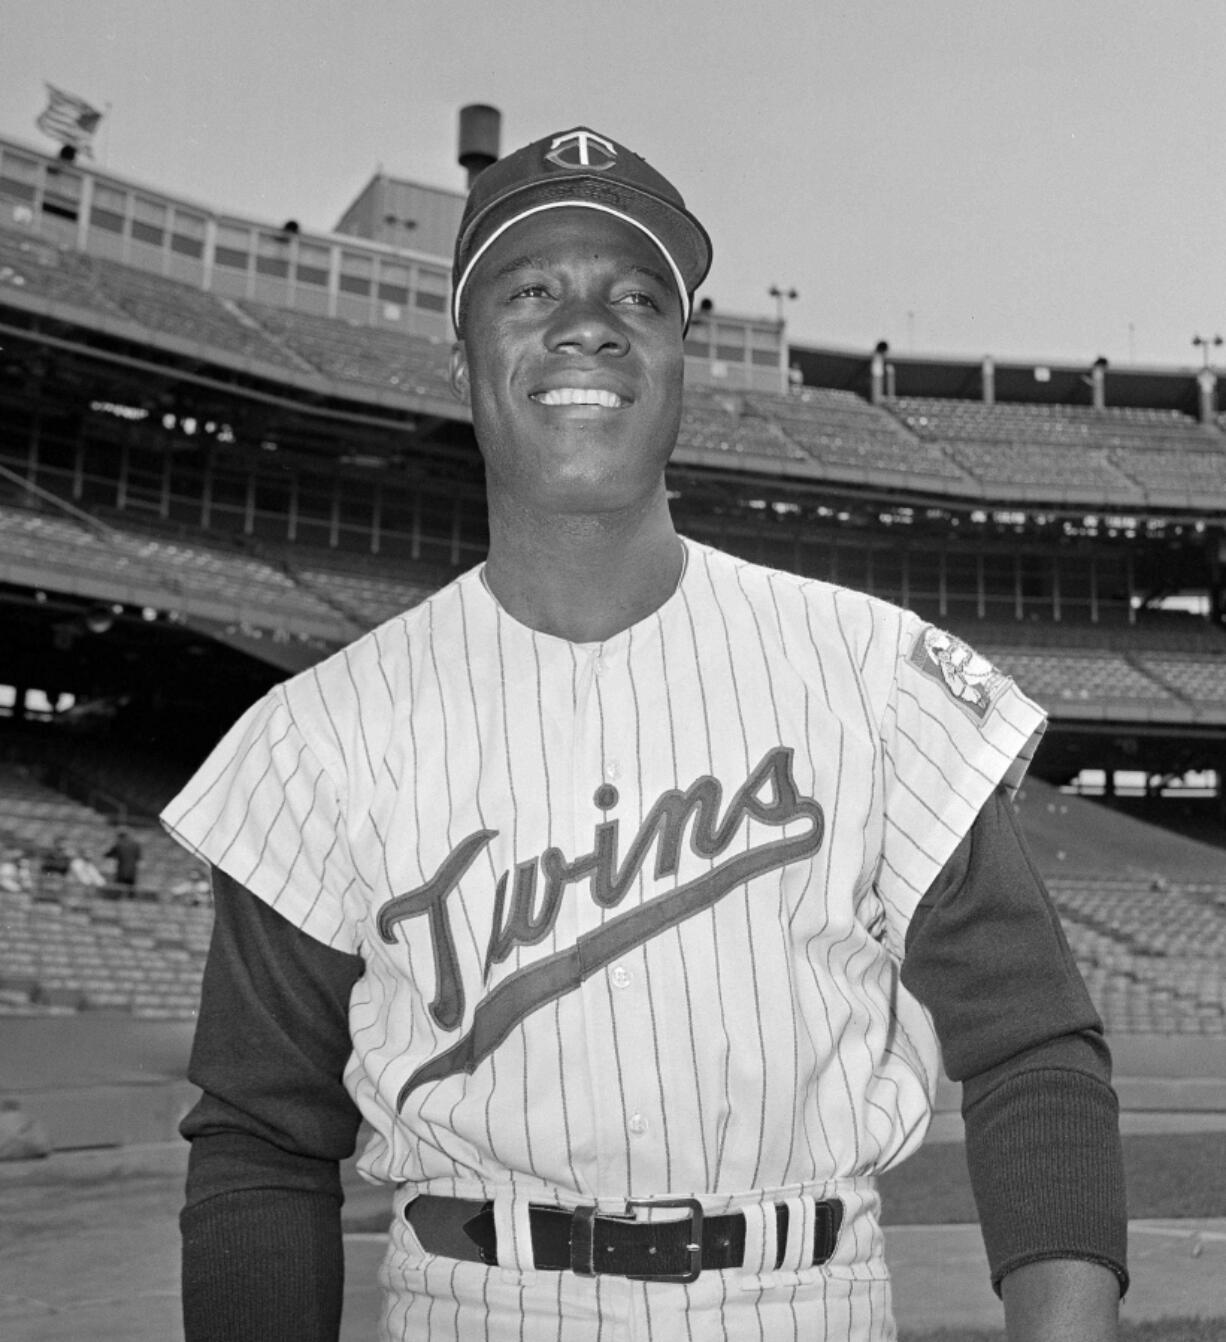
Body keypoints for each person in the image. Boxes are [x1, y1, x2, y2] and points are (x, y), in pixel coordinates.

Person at [162, 127, 1128, 1342]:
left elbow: (1033, 1045)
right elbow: (259, 1138)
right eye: (528, 290)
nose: (586, 322)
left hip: (801, 1299)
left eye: (636, 295)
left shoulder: (870, 672)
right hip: (471, 1303)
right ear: (463, 355)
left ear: (679, 359)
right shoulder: (320, 732)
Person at [104, 827, 142, 894]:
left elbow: (108, 854)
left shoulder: (119, 844)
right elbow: (138, 857)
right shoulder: (136, 844)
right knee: (131, 885)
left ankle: (119, 896)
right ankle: (131, 898)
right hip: (132, 868)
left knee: (120, 885)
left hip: (122, 868)